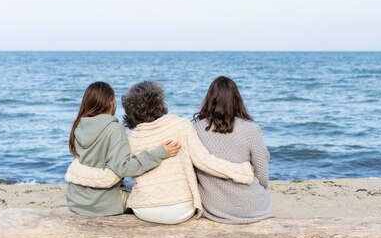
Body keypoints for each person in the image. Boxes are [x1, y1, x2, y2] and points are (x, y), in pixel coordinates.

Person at [66, 81, 254, 224]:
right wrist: (242, 172)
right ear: (160, 102)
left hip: (142, 211)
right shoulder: (181, 126)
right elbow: (205, 161)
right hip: (181, 211)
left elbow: (121, 168)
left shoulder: (126, 136)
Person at [65, 81, 181, 217]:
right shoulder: (114, 128)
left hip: (76, 202)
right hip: (102, 205)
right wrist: (159, 153)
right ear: (110, 102)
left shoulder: (78, 126)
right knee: (142, 198)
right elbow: (124, 168)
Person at [193, 76, 273, 223]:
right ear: (237, 100)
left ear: (209, 99)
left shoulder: (196, 129)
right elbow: (262, 176)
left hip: (214, 208)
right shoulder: (251, 128)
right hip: (254, 208)